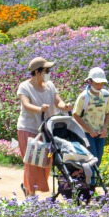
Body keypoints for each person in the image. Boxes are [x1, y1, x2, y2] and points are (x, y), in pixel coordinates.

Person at [16, 56, 69, 196]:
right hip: (28, 128)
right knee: (32, 162)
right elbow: (26, 105)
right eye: (46, 70)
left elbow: (58, 102)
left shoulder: (50, 85)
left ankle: (28, 187)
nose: (48, 73)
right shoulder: (24, 86)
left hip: (48, 130)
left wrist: (65, 106)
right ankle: (31, 194)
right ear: (37, 71)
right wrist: (39, 109)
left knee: (45, 162)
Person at [72, 66, 109, 165]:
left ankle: (91, 179)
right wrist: (89, 130)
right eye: (97, 83)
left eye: (102, 83)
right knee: (92, 160)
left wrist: (105, 128)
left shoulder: (106, 95)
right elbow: (75, 115)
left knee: (98, 160)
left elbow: (108, 112)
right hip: (86, 133)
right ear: (90, 81)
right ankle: (90, 181)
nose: (99, 86)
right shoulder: (83, 96)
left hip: (100, 133)